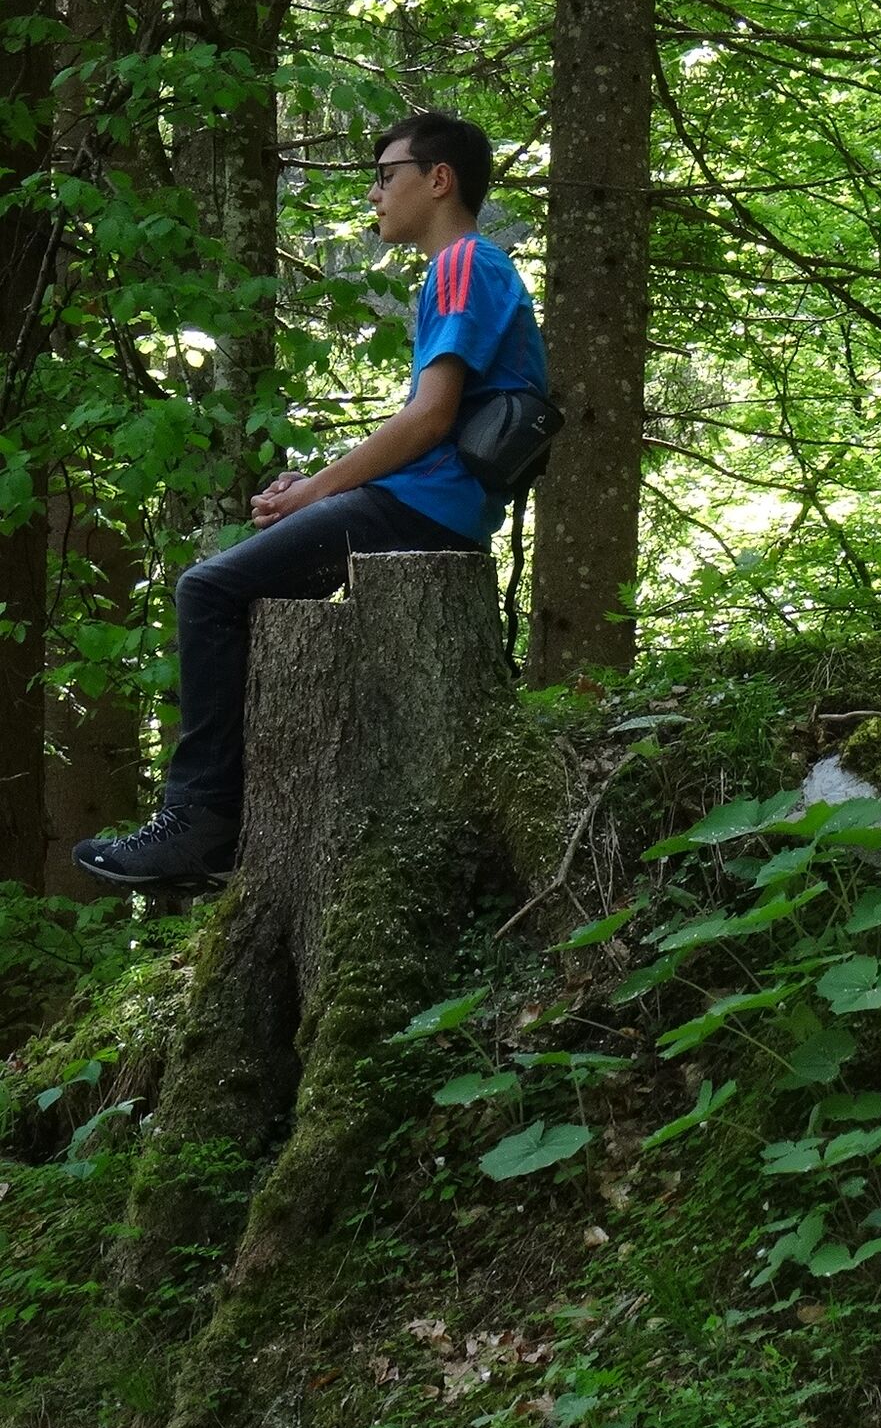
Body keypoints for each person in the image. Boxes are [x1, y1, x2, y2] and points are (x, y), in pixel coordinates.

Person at [72, 112, 547, 893]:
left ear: (439, 179)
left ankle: (200, 823)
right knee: (244, 594)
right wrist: (316, 488)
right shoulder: (469, 268)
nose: (374, 194)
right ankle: (227, 821)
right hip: (433, 507)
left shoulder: (463, 263)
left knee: (209, 591)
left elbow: (430, 418)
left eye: (386, 175)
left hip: (424, 510)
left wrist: (314, 493)